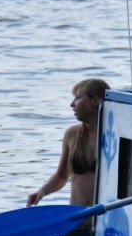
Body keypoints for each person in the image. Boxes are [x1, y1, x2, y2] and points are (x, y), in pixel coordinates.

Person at [28, 78, 110, 207]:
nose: (72, 104)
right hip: (76, 218)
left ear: (95, 101)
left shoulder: (114, 136)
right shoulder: (72, 135)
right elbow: (61, 176)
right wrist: (42, 191)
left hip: (104, 219)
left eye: (77, 98)